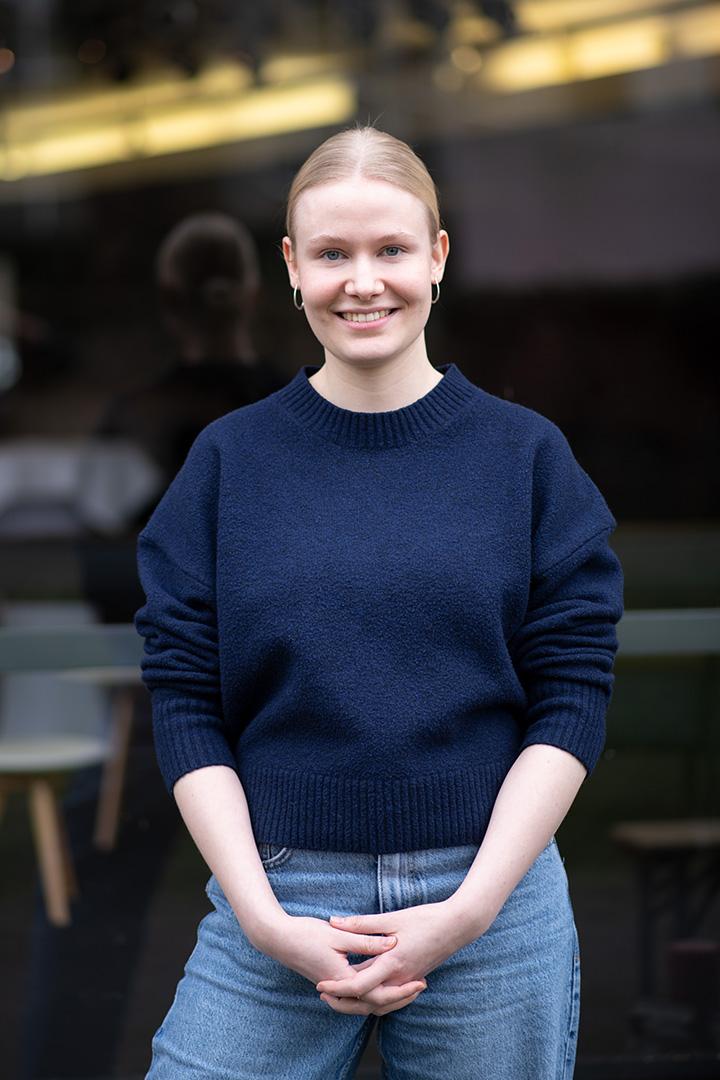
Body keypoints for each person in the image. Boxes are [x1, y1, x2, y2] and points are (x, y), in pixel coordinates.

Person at [134, 126, 624, 1079]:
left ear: (437, 256)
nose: (364, 282)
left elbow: (572, 697)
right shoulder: (229, 462)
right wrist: (262, 919)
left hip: (489, 901)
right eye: (332, 254)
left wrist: (470, 910)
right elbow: (185, 701)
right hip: (278, 894)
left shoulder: (526, 458)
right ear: (291, 267)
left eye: (392, 249)